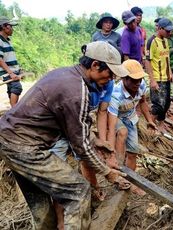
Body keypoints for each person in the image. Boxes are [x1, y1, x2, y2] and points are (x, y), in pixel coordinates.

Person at [0, 41, 129, 229]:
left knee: (41, 206)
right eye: (109, 73)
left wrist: (96, 141)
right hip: (25, 147)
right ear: (94, 65)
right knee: (78, 191)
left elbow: (71, 126)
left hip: (9, 141)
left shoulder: (65, 75)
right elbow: (80, 145)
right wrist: (108, 172)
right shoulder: (77, 90)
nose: (110, 80)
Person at [107, 59, 156, 195]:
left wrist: (149, 120)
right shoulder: (116, 94)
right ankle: (118, 167)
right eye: (134, 80)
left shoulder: (141, 87)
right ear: (124, 78)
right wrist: (111, 152)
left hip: (131, 118)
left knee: (133, 152)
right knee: (122, 132)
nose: (138, 83)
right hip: (115, 117)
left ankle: (131, 181)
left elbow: (143, 102)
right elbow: (111, 124)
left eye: (139, 79)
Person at [145, 17, 173, 130]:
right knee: (158, 105)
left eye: (171, 31)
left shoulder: (166, 41)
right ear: (160, 28)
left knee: (166, 103)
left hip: (166, 77)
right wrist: (152, 80)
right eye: (168, 31)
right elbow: (147, 60)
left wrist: (170, 73)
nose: (170, 33)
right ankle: (150, 126)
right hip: (157, 78)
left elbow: (166, 58)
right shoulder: (152, 41)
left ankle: (161, 124)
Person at [0, 16, 22, 107]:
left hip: (12, 71)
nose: (12, 29)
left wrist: (18, 69)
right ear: (4, 27)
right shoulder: (0, 41)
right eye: (11, 26)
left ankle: (12, 111)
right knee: (17, 87)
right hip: (7, 72)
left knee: (12, 89)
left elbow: (8, 58)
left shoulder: (8, 41)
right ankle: (14, 112)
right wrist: (11, 73)